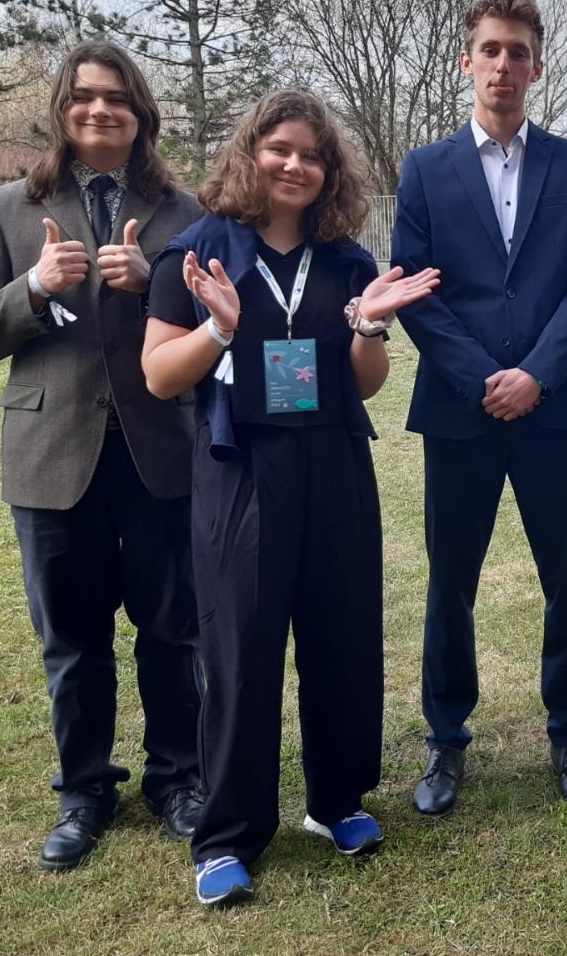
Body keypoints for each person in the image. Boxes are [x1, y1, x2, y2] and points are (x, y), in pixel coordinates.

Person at [141, 89, 436, 907]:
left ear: (331, 170)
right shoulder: (199, 251)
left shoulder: (345, 261)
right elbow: (159, 374)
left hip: (334, 464)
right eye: (280, 150)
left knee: (343, 637)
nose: (295, 166)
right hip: (241, 469)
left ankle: (336, 801)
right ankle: (228, 834)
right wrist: (219, 331)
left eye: (312, 155)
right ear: (250, 154)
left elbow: (365, 385)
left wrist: (369, 328)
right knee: (241, 647)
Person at [0, 41, 205, 870]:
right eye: (86, 97)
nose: (102, 110)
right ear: (63, 110)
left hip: (161, 452)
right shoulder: (7, 208)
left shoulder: (186, 213)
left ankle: (178, 779)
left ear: (142, 115)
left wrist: (153, 280)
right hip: (52, 455)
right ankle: (85, 789)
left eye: (119, 99)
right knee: (72, 639)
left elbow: (214, 329)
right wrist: (33, 288)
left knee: (173, 630)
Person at [391, 0, 567, 814]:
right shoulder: (425, 169)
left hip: (554, 409)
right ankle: (446, 740)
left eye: (519, 52)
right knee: (451, 581)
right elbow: (414, 289)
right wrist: (483, 377)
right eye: (490, 49)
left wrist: (537, 375)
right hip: (461, 411)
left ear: (537, 67)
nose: (504, 65)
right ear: (467, 60)